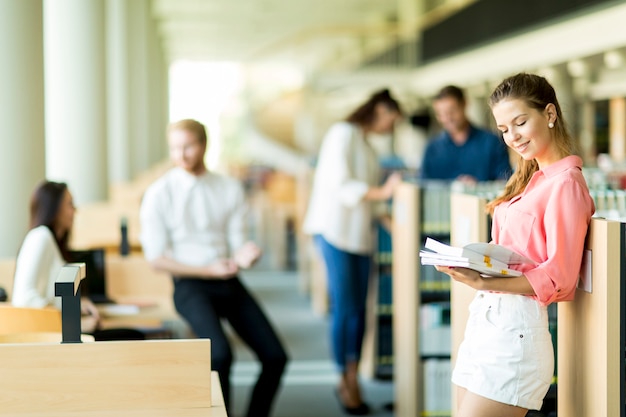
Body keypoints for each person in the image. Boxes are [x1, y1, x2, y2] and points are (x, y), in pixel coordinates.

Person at [435, 73, 595, 417]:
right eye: (504, 129)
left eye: (520, 122)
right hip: (485, 324)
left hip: (515, 335)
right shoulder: (528, 179)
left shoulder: (566, 184)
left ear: (549, 114)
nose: (513, 137)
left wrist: (484, 281)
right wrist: (478, 265)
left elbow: (560, 278)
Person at [139, 118, 288, 417]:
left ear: (204, 145)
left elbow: (237, 244)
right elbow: (156, 259)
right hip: (189, 283)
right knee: (219, 355)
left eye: (188, 147)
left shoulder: (228, 188)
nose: (181, 155)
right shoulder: (159, 194)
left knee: (275, 357)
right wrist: (207, 271)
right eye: (175, 148)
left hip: (227, 279)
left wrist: (246, 255)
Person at [303, 89, 403, 415]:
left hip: (360, 237)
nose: (392, 126)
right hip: (335, 233)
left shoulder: (367, 146)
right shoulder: (341, 133)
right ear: (379, 109)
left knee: (362, 310)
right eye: (392, 118)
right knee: (345, 308)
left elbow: (370, 203)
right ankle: (344, 379)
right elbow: (340, 184)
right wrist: (385, 191)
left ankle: (353, 374)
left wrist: (397, 225)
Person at [12, 181, 145, 341]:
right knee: (133, 336)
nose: (75, 210)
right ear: (54, 208)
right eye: (69, 204)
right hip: (53, 335)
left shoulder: (53, 242)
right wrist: (74, 324)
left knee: (131, 335)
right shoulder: (41, 237)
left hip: (59, 332)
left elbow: (50, 296)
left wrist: (79, 304)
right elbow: (24, 299)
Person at [420, 85, 512, 183]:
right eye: (441, 114)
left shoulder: (492, 142)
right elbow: (424, 186)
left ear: (464, 104)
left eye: (452, 111)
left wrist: (478, 188)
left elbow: (505, 182)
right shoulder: (432, 149)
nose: (448, 118)